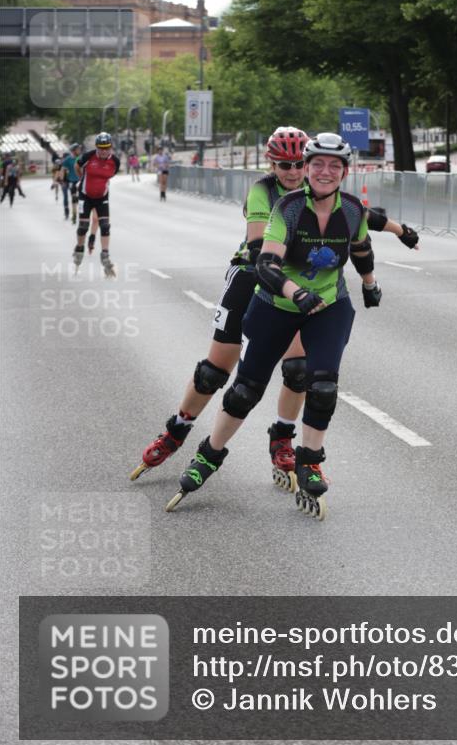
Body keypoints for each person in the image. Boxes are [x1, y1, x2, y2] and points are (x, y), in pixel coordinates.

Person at [131, 126, 419, 490]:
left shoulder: (321, 189)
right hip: (254, 276)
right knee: (214, 373)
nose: (293, 171)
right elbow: (257, 248)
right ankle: (176, 431)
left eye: (299, 163)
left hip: (295, 288)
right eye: (284, 165)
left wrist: (400, 230)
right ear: (272, 164)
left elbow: (362, 216)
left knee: (299, 369)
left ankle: (283, 438)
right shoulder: (266, 193)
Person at [73, 132, 121, 277]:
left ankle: (105, 254)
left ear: (111, 147)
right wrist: (81, 178)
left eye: (106, 148)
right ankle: (80, 247)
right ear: (96, 147)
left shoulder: (115, 161)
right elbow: (77, 165)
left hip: (102, 197)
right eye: (101, 148)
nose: (103, 151)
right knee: (83, 227)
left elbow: (111, 175)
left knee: (105, 225)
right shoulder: (89, 156)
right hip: (85, 196)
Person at [57, 143, 81, 222]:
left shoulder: (81, 158)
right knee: (73, 197)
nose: (79, 150)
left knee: (81, 198)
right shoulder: (68, 159)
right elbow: (62, 169)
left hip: (80, 180)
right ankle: (74, 214)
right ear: (73, 151)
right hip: (72, 181)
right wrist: (62, 180)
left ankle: (81, 213)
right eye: (78, 149)